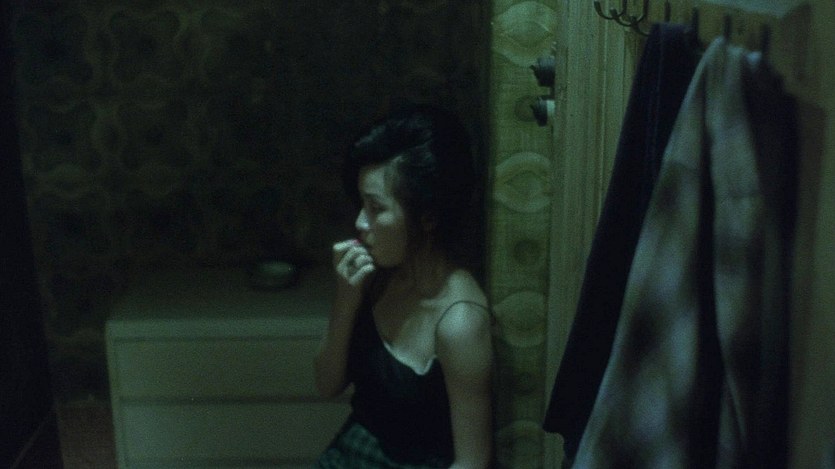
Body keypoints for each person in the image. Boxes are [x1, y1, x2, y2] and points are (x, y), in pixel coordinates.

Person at [314, 104, 493, 468]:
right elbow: (326, 384)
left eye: (376, 208)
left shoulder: (459, 321)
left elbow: (472, 462)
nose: (360, 222)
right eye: (361, 203)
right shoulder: (378, 276)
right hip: (348, 455)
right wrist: (346, 298)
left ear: (427, 217)